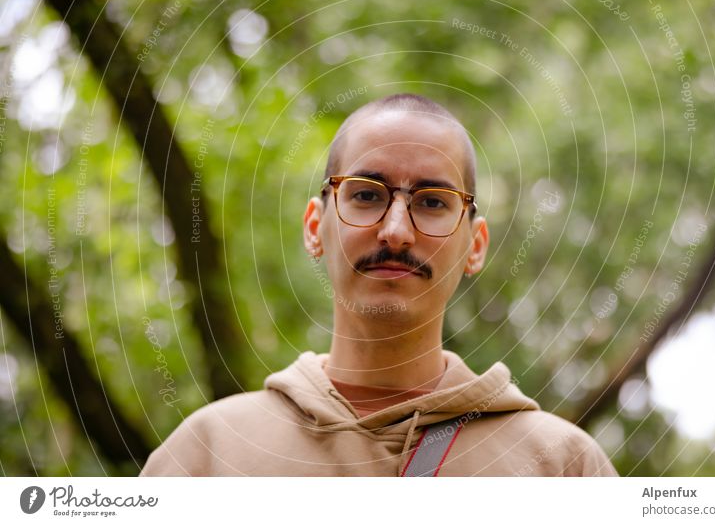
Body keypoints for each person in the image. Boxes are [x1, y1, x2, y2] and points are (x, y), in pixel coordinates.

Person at [140, 93, 617, 477]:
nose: (395, 231)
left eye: (432, 202)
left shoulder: (562, 467)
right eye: (366, 195)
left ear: (475, 244)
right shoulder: (208, 455)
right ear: (314, 227)